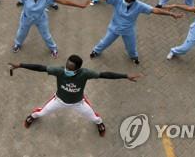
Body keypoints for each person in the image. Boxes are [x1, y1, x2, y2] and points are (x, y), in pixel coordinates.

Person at [8, 55, 141, 136]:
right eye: (66, 66)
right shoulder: (59, 71)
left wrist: (125, 76)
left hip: (79, 103)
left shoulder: (85, 73)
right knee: (41, 113)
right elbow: (41, 68)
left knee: (95, 118)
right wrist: (20, 65)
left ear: (77, 69)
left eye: (70, 68)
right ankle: (32, 116)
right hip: (59, 100)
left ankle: (100, 125)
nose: (67, 69)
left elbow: (105, 75)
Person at [80, 0, 181, 65]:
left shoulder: (140, 6)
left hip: (128, 31)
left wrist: (171, 14)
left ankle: (134, 57)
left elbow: (155, 10)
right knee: (105, 42)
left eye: (128, 0)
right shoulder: (118, 0)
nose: (126, 0)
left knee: (131, 47)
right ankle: (96, 51)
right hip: (114, 28)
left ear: (134, 0)